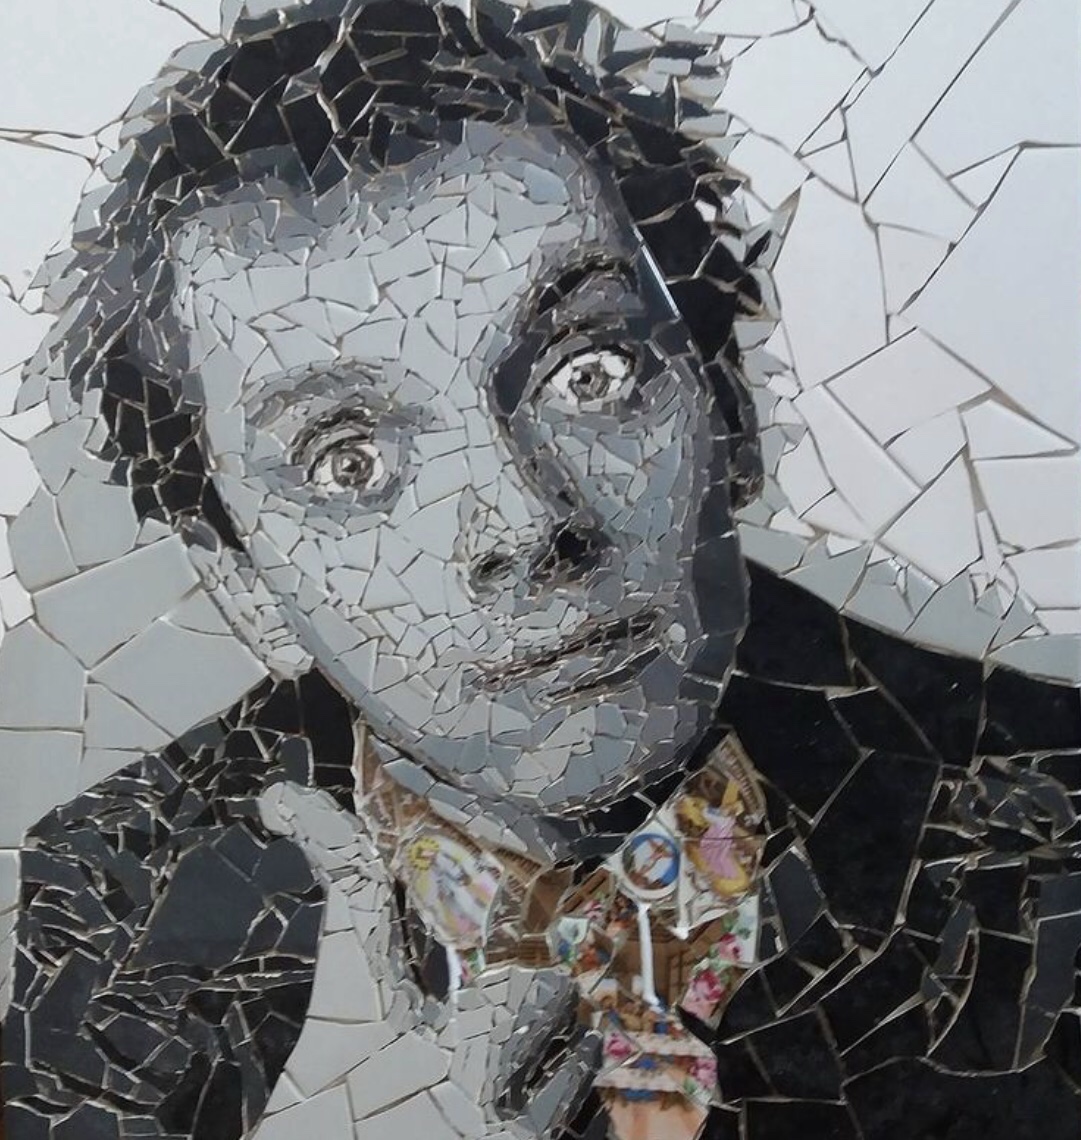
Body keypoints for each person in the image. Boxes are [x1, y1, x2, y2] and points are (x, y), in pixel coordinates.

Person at [3, 1, 1080, 1138]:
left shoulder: (1050, 835)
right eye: (349, 461)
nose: (525, 523)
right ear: (247, 586)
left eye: (589, 371)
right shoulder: (123, 902)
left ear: (724, 404)